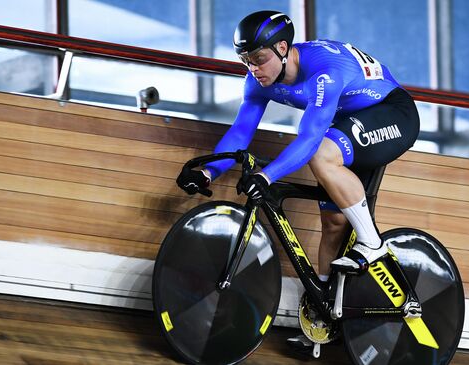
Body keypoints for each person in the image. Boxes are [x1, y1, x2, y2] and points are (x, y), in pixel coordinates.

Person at [177, 9, 420, 349]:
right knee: (334, 224)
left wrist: (267, 174)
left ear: (282, 48)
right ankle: (324, 315)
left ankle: (372, 244)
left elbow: (309, 139)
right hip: (349, 124)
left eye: (259, 59)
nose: (253, 68)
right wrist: (208, 170)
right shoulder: (258, 80)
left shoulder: (323, 70)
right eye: (246, 60)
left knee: (322, 153)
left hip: (392, 113)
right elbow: (241, 130)